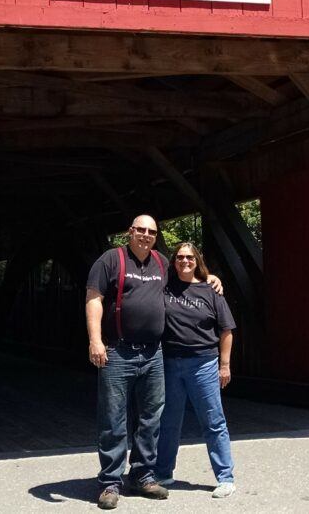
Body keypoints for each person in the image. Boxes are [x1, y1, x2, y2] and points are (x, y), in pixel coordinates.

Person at [86, 216, 222, 510]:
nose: (146, 235)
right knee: (114, 419)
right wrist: (95, 340)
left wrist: (211, 278)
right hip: (117, 351)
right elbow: (94, 297)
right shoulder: (111, 260)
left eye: (152, 231)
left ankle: (143, 475)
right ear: (130, 232)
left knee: (150, 418)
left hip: (153, 354)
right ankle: (110, 481)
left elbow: (188, 276)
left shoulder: (161, 262)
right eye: (141, 230)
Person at [155, 242, 237, 499]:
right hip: (171, 363)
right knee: (168, 421)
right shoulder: (164, 287)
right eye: (179, 257)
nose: (185, 261)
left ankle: (226, 478)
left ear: (197, 260)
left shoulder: (211, 290)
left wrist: (225, 365)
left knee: (213, 421)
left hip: (204, 364)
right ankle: (163, 472)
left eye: (190, 257)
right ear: (174, 261)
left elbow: (226, 330)